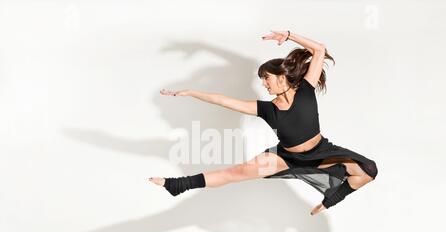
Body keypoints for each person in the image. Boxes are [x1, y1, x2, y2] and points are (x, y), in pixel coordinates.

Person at [149, 30, 378, 215]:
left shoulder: (306, 90)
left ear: (281, 76)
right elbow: (224, 101)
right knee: (236, 172)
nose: (265, 85)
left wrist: (288, 35)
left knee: (368, 170)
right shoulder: (266, 109)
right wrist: (191, 92)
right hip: (285, 157)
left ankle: (332, 196)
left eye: (266, 79)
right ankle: (177, 185)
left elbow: (319, 50)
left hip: (321, 153)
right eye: (262, 81)